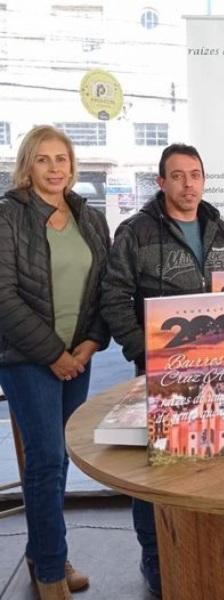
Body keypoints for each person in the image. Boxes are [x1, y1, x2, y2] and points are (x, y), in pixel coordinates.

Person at [101, 143, 224, 597]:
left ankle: (203, 552)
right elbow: (115, 298)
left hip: (216, 371)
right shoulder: (136, 233)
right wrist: (145, 351)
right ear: (161, 183)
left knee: (211, 458)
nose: (188, 184)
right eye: (177, 176)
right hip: (157, 373)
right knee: (155, 465)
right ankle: (155, 559)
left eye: (195, 174)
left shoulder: (219, 229)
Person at [0, 126, 110, 599]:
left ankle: (44, 549)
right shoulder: (8, 217)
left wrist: (89, 344)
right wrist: (54, 354)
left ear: (72, 165)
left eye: (61, 158)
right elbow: (3, 296)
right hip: (27, 357)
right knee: (45, 460)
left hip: (77, 356)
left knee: (58, 460)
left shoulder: (90, 217)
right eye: (43, 159)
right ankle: (49, 570)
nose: (54, 168)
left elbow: (106, 288)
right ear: (28, 165)